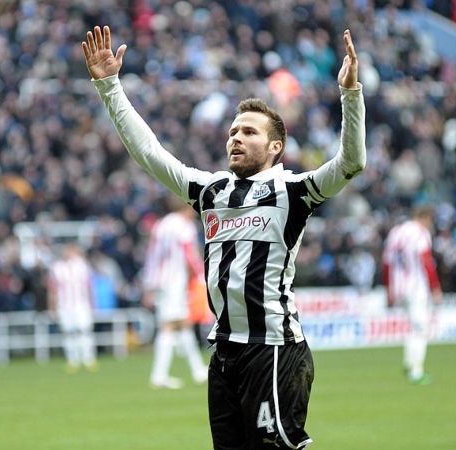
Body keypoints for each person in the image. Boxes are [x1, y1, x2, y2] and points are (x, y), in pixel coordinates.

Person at [82, 25, 365, 449]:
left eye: (249, 132)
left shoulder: (292, 191)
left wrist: (350, 95)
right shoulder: (211, 191)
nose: (236, 137)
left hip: (272, 347)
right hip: (225, 353)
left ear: (275, 148)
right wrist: (109, 87)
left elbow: (351, 163)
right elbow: (149, 153)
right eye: (233, 131)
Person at [142, 198, 208, 389]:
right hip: (175, 280)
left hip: (160, 280)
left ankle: (196, 370)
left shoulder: (160, 225)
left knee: (182, 324)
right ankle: (159, 375)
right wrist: (200, 276)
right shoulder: (183, 226)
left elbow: (152, 255)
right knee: (170, 326)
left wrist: (149, 284)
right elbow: (190, 254)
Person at [382, 205, 442, 385]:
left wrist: (388, 289)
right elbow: (426, 262)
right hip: (416, 287)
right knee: (421, 328)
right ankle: (416, 371)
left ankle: (409, 363)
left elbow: (386, 263)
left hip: (399, 286)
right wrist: (435, 287)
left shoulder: (396, 232)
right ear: (425, 217)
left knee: (414, 327)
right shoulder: (421, 233)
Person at [47, 243, 98, 373]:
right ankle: (73, 359)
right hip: (64, 305)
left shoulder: (82, 265)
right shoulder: (57, 267)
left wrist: (93, 303)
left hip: (81, 304)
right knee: (69, 333)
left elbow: (89, 286)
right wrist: (52, 306)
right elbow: (53, 289)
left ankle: (88, 358)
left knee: (85, 330)